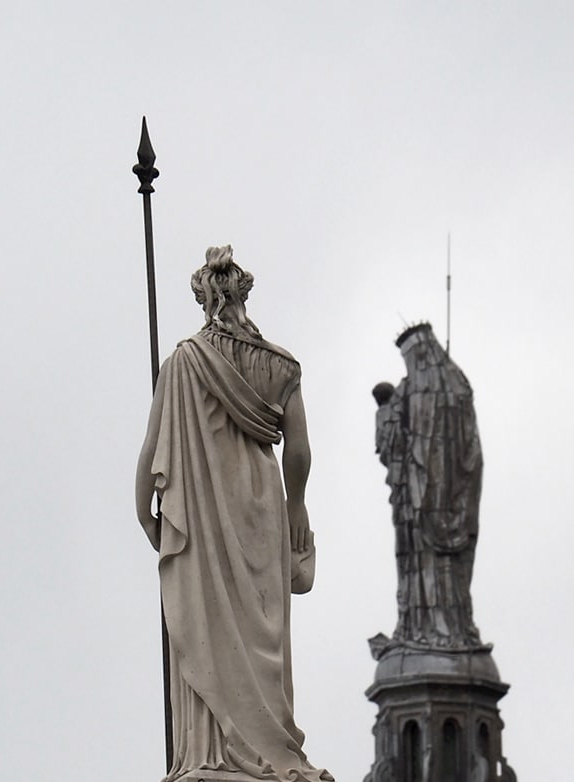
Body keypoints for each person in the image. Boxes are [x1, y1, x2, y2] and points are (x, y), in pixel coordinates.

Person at [136, 246, 332, 782]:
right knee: (261, 633)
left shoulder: (183, 363)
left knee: (209, 625)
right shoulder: (281, 364)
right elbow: (299, 451)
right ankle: (273, 748)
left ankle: (212, 751)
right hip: (264, 509)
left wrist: (147, 515)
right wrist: (298, 507)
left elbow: (152, 455)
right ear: (244, 293)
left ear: (203, 297)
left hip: (202, 510)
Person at [374, 323, 482, 648]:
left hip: (445, 496)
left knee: (442, 564)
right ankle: (416, 623)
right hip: (411, 496)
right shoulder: (414, 391)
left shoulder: (450, 389)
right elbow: (390, 448)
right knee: (414, 558)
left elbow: (467, 450)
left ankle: (447, 629)